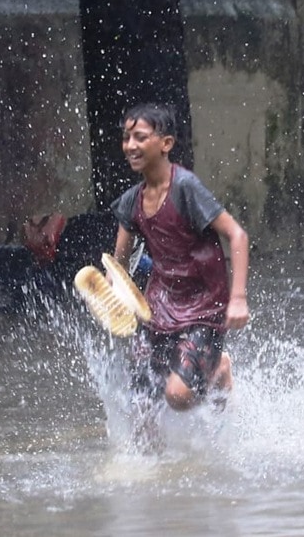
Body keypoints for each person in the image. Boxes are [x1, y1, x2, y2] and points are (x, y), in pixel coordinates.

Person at [111, 103, 251, 436]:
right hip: (158, 307)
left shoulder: (185, 188)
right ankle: (151, 471)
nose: (130, 145)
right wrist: (110, 291)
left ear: (166, 144)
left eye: (140, 137)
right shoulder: (132, 201)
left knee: (177, 396)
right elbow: (118, 264)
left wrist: (239, 298)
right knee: (143, 402)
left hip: (204, 305)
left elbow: (237, 234)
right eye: (126, 137)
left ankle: (219, 371)